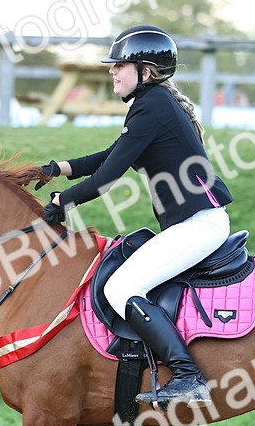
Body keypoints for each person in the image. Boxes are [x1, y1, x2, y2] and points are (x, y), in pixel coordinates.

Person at [36, 25, 233, 405]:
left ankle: (189, 376)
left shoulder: (152, 106)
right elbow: (109, 156)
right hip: (195, 221)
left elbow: (107, 177)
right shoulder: (152, 106)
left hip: (200, 224)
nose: (112, 71)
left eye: (119, 66)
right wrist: (56, 168)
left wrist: (65, 202)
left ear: (145, 71)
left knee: (121, 288)